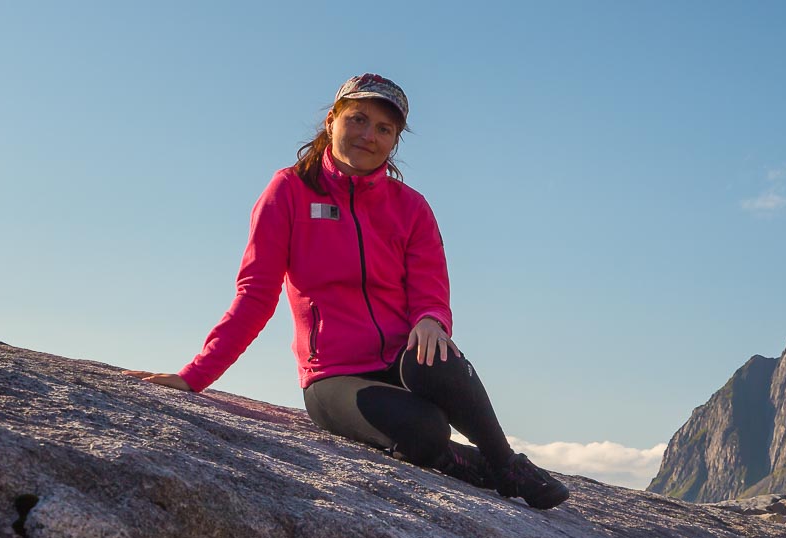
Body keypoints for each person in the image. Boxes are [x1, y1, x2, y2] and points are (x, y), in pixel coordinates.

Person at [126, 73, 568, 510]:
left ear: (395, 141)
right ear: (331, 121)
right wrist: (194, 376)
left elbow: (430, 290)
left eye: (384, 129)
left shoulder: (410, 207)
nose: (368, 136)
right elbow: (256, 295)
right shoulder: (288, 191)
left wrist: (432, 320)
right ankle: (471, 462)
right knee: (425, 428)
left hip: (399, 361)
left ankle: (505, 465)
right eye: (357, 119)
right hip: (333, 377)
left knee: (437, 354)